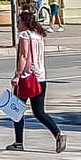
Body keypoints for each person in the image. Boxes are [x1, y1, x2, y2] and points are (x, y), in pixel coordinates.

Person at [9, 9, 65, 152]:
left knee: (16, 110)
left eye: (19, 22)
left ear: (24, 23)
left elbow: (23, 56)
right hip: (40, 77)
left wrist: (17, 75)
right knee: (39, 112)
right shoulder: (38, 35)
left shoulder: (24, 35)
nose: (17, 25)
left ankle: (18, 142)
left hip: (27, 77)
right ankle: (58, 133)